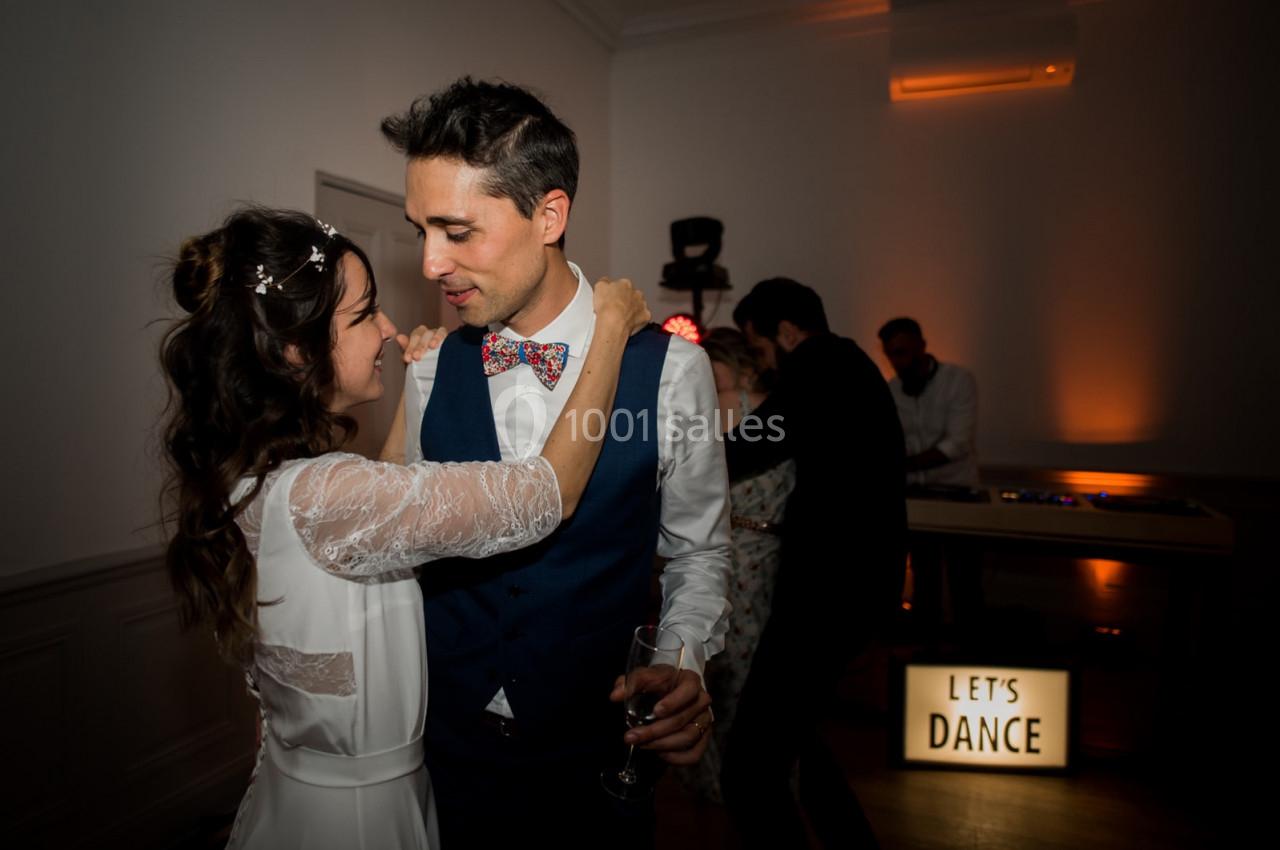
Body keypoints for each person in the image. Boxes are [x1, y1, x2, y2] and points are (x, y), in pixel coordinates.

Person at [159, 207, 651, 850]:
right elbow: (544, 497)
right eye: (363, 315)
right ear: (293, 349)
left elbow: (389, 497)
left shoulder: (265, 478)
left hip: (302, 789)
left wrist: (420, 382)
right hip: (358, 821)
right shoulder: (326, 494)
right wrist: (610, 328)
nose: (388, 330)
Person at [379, 77, 731, 848]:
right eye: (419, 231)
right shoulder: (431, 368)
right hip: (438, 761)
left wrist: (684, 663)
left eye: (456, 230)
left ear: (550, 214)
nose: (432, 263)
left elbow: (699, 553)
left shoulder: (671, 371)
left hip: (595, 759)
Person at [719, 278, 907, 850]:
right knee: (795, 744)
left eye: (758, 346)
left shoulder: (820, 364)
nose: (760, 361)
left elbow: (754, 442)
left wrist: (671, 460)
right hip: (849, 589)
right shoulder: (851, 368)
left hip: (826, 595)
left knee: (748, 768)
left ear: (788, 330)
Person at [676, 327, 794, 803]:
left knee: (717, 663)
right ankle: (755, 774)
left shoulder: (724, 404)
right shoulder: (781, 407)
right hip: (772, 549)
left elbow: (689, 477)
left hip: (730, 548)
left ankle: (718, 777)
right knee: (749, 667)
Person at [877, 316, 983, 640]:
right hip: (915, 495)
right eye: (893, 354)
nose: (899, 361)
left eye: (905, 352)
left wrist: (900, 466)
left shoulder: (958, 381)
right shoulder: (893, 390)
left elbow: (956, 443)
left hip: (957, 491)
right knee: (924, 572)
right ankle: (927, 642)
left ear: (922, 346)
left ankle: (969, 641)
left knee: (964, 574)